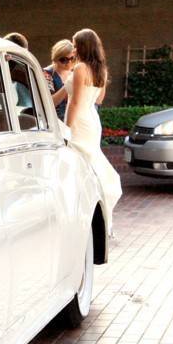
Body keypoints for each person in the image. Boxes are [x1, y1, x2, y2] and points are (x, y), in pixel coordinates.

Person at [64, 28, 121, 233]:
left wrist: (66, 129)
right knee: (90, 163)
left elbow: (75, 102)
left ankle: (90, 211)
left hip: (79, 120)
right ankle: (100, 215)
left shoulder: (79, 68)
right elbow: (99, 99)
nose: (72, 47)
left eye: (74, 43)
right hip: (91, 119)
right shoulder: (100, 70)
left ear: (82, 46)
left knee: (83, 165)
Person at [45, 39, 74, 121]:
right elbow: (49, 102)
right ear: (55, 58)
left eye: (72, 58)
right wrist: (68, 85)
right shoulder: (47, 74)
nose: (69, 62)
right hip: (55, 121)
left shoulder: (75, 72)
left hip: (72, 119)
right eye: (64, 60)